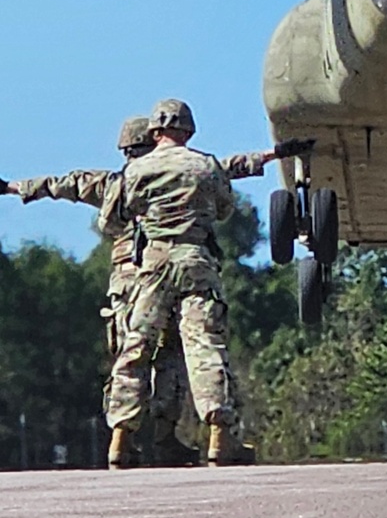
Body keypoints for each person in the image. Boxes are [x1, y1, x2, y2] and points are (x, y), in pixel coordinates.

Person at [2, 113, 308, 466]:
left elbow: (63, 185)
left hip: (142, 278)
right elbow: (227, 170)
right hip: (184, 266)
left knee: (133, 354)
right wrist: (276, 153)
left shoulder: (116, 180)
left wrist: (12, 187)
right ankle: (185, 436)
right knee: (186, 353)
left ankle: (124, 437)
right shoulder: (193, 167)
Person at [104, 99, 309, 469]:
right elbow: (224, 208)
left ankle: (120, 438)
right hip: (195, 260)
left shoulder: (135, 171)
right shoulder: (204, 165)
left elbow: (118, 215)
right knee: (204, 345)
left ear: (154, 131)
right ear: (189, 130)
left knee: (137, 345)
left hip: (153, 265)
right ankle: (219, 436)